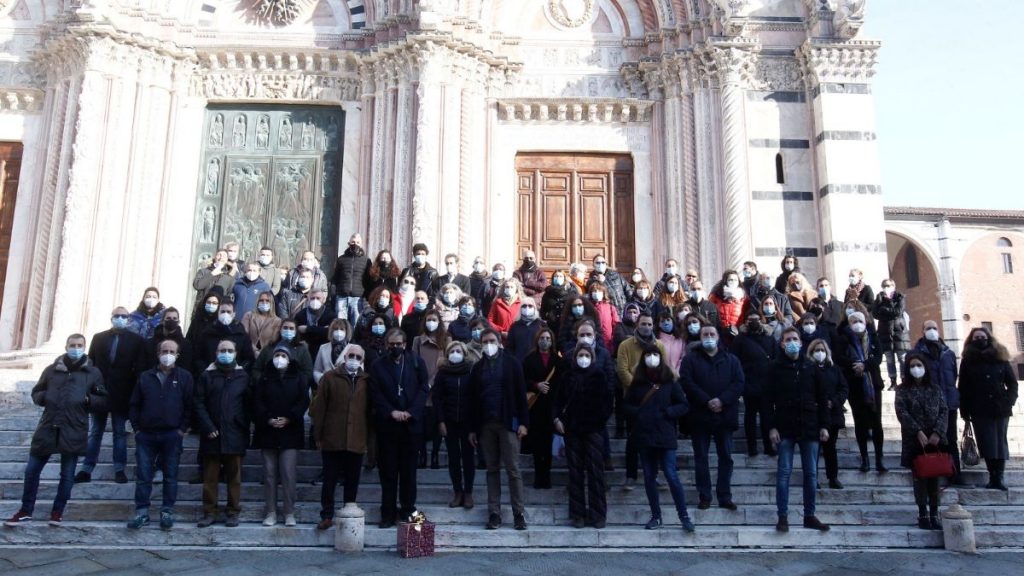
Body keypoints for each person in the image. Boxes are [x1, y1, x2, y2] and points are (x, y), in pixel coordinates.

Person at [4, 335, 107, 527]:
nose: (75, 348)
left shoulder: (93, 373)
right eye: (72, 345)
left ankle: (57, 512)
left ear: (84, 348)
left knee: (67, 474)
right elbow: (37, 392)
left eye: (79, 346)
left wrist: (87, 400)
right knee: (32, 470)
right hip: (48, 426)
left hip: (74, 427)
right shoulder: (51, 370)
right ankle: (26, 510)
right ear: (66, 346)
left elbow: (102, 399)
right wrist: (46, 397)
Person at [623, 345, 694, 532]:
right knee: (648, 476)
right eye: (648, 355)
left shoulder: (669, 382)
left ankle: (684, 515)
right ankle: (656, 516)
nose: (652, 358)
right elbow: (626, 406)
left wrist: (668, 413)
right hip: (644, 434)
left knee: (671, 474)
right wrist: (639, 413)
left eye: (655, 354)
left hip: (665, 434)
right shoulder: (637, 384)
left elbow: (683, 405)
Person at [766, 327, 830, 532]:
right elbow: (767, 401)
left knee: (811, 474)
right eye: (788, 339)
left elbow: (822, 398)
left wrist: (824, 425)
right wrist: (771, 427)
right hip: (785, 426)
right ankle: (782, 516)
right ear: (782, 343)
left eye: (795, 338)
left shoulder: (811, 367)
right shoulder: (774, 368)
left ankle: (809, 515)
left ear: (801, 343)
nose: (792, 342)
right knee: (784, 473)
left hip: (810, 426)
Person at [126, 339, 194, 531]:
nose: (168, 354)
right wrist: (137, 428)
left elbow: (190, 405)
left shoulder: (185, 377)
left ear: (177, 355)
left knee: (171, 475)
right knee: (144, 475)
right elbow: (134, 404)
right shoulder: (145, 377)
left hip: (172, 434)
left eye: (172, 351)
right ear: (158, 353)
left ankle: (167, 511)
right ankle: (141, 512)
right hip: (146, 435)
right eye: (164, 350)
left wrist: (182, 429)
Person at [76, 307, 145, 484]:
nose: (120, 319)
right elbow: (90, 363)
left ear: (128, 319)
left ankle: (119, 468)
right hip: (99, 392)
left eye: (124, 316)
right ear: (111, 317)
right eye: (117, 316)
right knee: (95, 431)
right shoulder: (99, 338)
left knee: (119, 432)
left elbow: (138, 369)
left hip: (122, 393)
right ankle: (87, 468)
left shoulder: (136, 340)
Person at [469, 329, 530, 531]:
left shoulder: (512, 363)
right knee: (492, 469)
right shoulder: (477, 368)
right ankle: (494, 512)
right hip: (486, 424)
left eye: (492, 340)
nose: (488, 344)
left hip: (508, 422)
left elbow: (522, 395)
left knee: (513, 469)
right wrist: (472, 429)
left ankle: (518, 513)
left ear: (499, 341)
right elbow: (473, 399)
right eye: (485, 341)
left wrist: (523, 422)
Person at [369, 328, 430, 527]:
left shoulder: (416, 362)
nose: (395, 348)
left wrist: (412, 411)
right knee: (388, 471)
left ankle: (408, 509)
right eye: (391, 344)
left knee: (409, 472)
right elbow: (375, 392)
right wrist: (390, 412)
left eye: (399, 344)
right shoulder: (378, 365)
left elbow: (423, 388)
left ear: (405, 344)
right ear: (387, 345)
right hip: (388, 425)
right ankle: (387, 512)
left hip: (411, 425)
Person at [680, 324, 744, 511]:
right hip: (700, 416)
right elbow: (687, 382)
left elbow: (738, 382)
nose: (708, 337)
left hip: (724, 416)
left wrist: (722, 400)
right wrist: (706, 400)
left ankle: (724, 495)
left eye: (711, 334)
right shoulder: (691, 359)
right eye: (705, 334)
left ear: (718, 337)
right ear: (700, 338)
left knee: (726, 457)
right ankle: (705, 495)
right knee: (701, 457)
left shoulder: (731, 360)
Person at [311, 343, 371, 530]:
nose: (354, 359)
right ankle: (327, 515)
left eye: (358, 357)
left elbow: (370, 412)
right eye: (351, 355)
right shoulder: (329, 377)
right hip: (332, 437)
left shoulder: (367, 381)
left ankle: (348, 510)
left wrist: (370, 441)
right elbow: (319, 408)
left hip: (357, 438)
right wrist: (318, 435)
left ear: (362, 361)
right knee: (329, 480)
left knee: (352, 480)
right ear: (345, 357)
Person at [554, 343, 613, 529]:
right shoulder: (567, 376)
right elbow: (557, 400)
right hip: (572, 429)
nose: (583, 358)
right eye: (581, 354)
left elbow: (607, 403)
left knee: (596, 472)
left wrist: (599, 421)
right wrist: (557, 419)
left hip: (594, 429)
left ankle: (598, 514)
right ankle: (577, 514)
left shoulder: (599, 376)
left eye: (587, 355)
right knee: (575, 472)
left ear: (592, 357)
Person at [252, 347, 311, 527]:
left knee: (287, 473)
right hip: (268, 430)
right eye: (277, 355)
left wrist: (290, 418)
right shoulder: (264, 377)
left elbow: (303, 400)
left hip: (290, 430)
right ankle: (270, 511)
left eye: (283, 355)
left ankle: (289, 512)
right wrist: (268, 418)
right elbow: (257, 401)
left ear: (290, 359)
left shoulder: (299, 377)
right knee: (269, 474)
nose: (279, 358)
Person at [194, 339, 250, 528]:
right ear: (216, 352)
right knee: (210, 478)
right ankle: (209, 512)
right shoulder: (206, 376)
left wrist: (242, 424)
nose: (226, 353)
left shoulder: (243, 376)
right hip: (212, 435)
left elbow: (248, 403)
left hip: (235, 434)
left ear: (235, 353)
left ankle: (233, 512)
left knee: (234, 478)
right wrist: (208, 426)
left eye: (229, 350)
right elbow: (198, 402)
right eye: (222, 350)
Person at [959, 327, 1018, 491]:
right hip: (979, 408)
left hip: (1000, 408)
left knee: (1000, 443)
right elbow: (963, 387)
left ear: (989, 338)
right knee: (986, 443)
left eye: (982, 337)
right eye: (976, 337)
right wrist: (965, 411)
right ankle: (992, 475)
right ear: (971, 340)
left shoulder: (1001, 358)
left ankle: (999, 477)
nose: (980, 340)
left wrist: (1009, 401)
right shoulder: (968, 361)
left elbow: (1012, 383)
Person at [895, 352, 948, 530]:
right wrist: (917, 431)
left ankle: (935, 512)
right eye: (912, 366)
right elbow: (902, 412)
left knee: (935, 478)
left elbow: (944, 410)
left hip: (934, 439)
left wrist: (938, 432)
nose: (916, 369)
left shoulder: (935, 388)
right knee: (920, 478)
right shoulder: (902, 390)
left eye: (919, 365)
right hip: (914, 440)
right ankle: (922, 512)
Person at [616, 313, 667, 488]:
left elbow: (664, 370)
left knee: (655, 439)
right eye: (643, 323)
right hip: (633, 399)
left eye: (650, 324)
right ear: (637, 325)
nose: (646, 327)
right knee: (633, 439)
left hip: (655, 401)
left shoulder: (659, 345)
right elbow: (622, 370)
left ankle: (655, 474)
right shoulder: (625, 345)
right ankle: (631, 475)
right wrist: (638, 389)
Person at [836, 310, 886, 473]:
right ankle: (864, 458)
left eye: (860, 320)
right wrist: (855, 365)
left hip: (873, 384)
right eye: (853, 321)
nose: (857, 323)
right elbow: (839, 358)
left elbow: (878, 357)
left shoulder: (873, 337)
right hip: (854, 384)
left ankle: (879, 458)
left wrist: (865, 365)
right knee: (860, 422)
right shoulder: (843, 339)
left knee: (876, 422)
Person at [913, 320, 962, 483]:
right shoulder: (917, 353)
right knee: (932, 439)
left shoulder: (948, 353)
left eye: (934, 328)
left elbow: (953, 375)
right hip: (928, 404)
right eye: (928, 328)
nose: (932, 331)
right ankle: (933, 471)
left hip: (948, 402)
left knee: (951, 439)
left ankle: (954, 473)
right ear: (923, 331)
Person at [434, 340, 477, 508]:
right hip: (450, 421)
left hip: (467, 422)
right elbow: (437, 398)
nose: (455, 354)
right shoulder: (442, 373)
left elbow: (475, 398)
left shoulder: (471, 372)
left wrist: (474, 426)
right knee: (453, 458)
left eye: (458, 351)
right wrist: (440, 421)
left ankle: (468, 493)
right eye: (452, 351)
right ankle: (457, 492)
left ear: (464, 354)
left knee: (468, 459)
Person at [731, 312, 777, 457]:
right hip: (749, 382)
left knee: (767, 417)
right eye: (750, 320)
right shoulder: (740, 339)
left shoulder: (769, 338)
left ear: (761, 320)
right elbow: (735, 360)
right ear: (746, 322)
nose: (754, 322)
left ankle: (768, 446)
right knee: (750, 416)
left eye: (756, 319)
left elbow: (776, 358)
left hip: (767, 383)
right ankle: (752, 447)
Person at [805, 339, 848, 489]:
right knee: (813, 448)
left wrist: (834, 402)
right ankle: (812, 477)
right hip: (814, 413)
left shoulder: (834, 369)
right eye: (816, 350)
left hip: (832, 413)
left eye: (822, 350)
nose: (820, 353)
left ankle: (833, 477)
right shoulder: (807, 369)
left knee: (830, 448)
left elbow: (843, 388)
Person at [522, 328, 559, 490]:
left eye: (547, 338)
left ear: (552, 341)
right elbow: (523, 380)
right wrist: (536, 385)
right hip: (535, 407)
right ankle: (538, 476)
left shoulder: (558, 360)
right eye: (542, 338)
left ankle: (547, 476)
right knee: (537, 443)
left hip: (551, 406)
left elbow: (562, 381)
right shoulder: (529, 359)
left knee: (548, 443)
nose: (545, 340)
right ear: (537, 340)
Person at [413, 309, 447, 469]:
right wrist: (422, 382)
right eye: (428, 319)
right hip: (421, 386)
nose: (431, 322)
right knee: (420, 423)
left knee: (437, 422)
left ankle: (434, 455)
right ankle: (422, 455)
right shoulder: (418, 340)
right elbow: (414, 361)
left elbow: (446, 363)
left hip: (439, 386)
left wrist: (432, 381)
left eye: (434, 319)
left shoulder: (446, 339)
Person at [197, 301, 256, 372]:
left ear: (234, 314)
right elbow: (198, 357)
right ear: (218, 313)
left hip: (235, 377)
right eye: (223, 311)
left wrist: (240, 370)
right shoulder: (207, 333)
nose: (225, 314)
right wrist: (206, 370)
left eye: (228, 312)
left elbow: (249, 358)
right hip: (211, 375)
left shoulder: (241, 334)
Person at [874, 279, 911, 390]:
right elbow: (875, 313)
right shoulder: (879, 298)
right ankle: (893, 381)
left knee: (902, 358)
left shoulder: (900, 297)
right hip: (885, 332)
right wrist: (885, 308)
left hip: (899, 331)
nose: (886, 287)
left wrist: (884, 309)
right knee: (889, 359)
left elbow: (898, 312)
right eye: (884, 285)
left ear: (893, 286)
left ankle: (905, 380)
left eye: (889, 285)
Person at [333, 233, 372, 327]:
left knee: (356, 325)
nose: (355, 244)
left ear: (361, 244)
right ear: (349, 243)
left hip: (357, 298)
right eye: (353, 242)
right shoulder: (341, 259)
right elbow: (336, 277)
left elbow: (368, 280)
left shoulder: (366, 260)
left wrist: (366, 297)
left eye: (358, 242)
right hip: (342, 297)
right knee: (340, 326)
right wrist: (334, 294)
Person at [146, 307, 194, 374]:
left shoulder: (186, 345)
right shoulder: (150, 343)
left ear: (178, 322)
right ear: (162, 321)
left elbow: (185, 368)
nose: (171, 321)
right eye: (168, 318)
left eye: (174, 318)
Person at [709, 270, 747, 347]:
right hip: (720, 335)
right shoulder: (716, 296)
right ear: (725, 281)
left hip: (737, 335)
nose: (733, 282)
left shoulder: (743, 298)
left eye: (735, 280)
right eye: (730, 280)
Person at [293, 289, 335, 354]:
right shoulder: (301, 315)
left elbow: (329, 332)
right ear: (308, 300)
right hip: (305, 348)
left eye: (318, 298)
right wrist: (321, 329)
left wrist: (307, 329)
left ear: (323, 300)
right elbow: (296, 331)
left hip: (324, 349)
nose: (315, 300)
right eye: (312, 298)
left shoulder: (330, 315)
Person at [242, 290, 282, 356]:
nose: (264, 302)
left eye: (267, 301)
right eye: (261, 300)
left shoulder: (277, 321)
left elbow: (273, 341)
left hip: (266, 355)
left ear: (271, 303)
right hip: (248, 353)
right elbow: (244, 335)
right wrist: (255, 351)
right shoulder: (249, 315)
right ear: (257, 302)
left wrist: (261, 353)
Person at [313, 318, 351, 382]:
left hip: (345, 387)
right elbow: (317, 370)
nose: (339, 332)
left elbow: (358, 371)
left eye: (342, 329)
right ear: (331, 331)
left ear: (346, 331)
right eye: (336, 329)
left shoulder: (354, 349)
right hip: (326, 386)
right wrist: (323, 380)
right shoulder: (323, 348)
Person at [588, 281, 621, 353]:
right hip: (592, 343)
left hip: (608, 343)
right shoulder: (588, 307)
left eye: (599, 291)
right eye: (594, 291)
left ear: (603, 293)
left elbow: (616, 325)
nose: (596, 293)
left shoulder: (610, 307)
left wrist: (613, 339)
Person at [541, 269, 573, 335]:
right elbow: (542, 311)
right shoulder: (547, 294)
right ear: (552, 278)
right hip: (551, 326)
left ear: (564, 278)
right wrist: (548, 315)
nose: (558, 278)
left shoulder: (570, 292)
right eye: (556, 276)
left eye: (560, 276)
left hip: (566, 326)